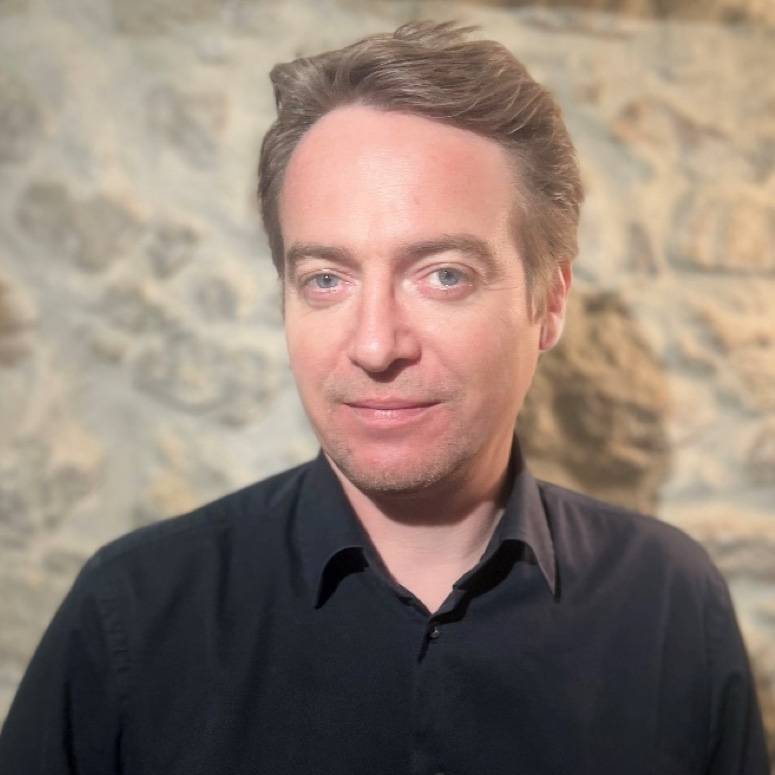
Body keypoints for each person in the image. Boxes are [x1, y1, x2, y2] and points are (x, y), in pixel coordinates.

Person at [0, 20, 768, 775]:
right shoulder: (131, 612)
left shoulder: (670, 604)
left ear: (549, 302)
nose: (374, 345)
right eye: (325, 279)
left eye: (443, 275)